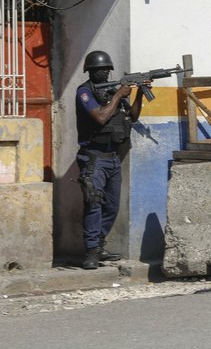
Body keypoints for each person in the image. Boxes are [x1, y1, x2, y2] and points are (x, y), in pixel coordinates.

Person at [75, 50, 147, 270]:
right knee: (93, 204)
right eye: (99, 70)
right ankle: (91, 252)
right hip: (94, 158)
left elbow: (133, 117)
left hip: (113, 158)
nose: (104, 73)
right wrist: (118, 95)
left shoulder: (113, 91)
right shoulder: (85, 92)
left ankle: (99, 244)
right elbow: (101, 117)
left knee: (112, 206)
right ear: (90, 72)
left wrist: (139, 94)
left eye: (106, 69)